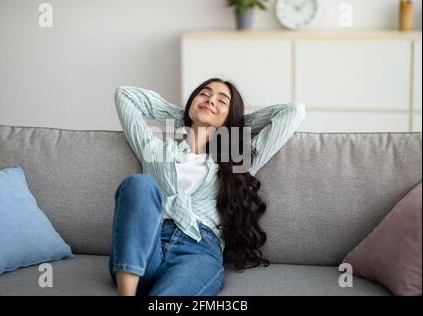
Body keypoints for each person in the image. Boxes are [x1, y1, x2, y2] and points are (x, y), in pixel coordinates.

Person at [109, 78, 306, 296]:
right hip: (148, 242)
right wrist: (185, 116)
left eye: (222, 101)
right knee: (140, 184)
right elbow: (124, 95)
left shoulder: (237, 160)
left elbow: (293, 111)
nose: (211, 100)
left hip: (197, 250)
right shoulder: (155, 150)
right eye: (204, 94)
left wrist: (234, 124)